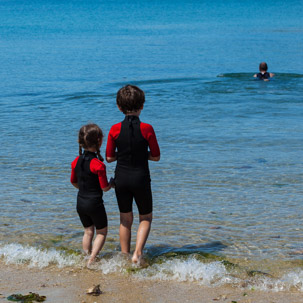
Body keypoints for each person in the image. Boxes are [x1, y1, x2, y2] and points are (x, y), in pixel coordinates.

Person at [106, 85, 160, 264]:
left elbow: (109, 157)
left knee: (125, 219)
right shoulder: (147, 128)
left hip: (121, 179)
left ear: (119, 107)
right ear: (142, 106)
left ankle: (124, 255)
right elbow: (156, 156)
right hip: (141, 178)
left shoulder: (114, 129)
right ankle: (137, 253)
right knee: (145, 217)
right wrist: (141, 154)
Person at [70, 123, 112, 266]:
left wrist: (83, 188)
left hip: (80, 202)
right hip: (94, 203)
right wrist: (112, 183)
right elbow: (104, 187)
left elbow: (73, 182)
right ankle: (92, 259)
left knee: (88, 231)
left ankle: (86, 255)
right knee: (101, 232)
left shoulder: (75, 162)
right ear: (99, 141)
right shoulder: (98, 165)